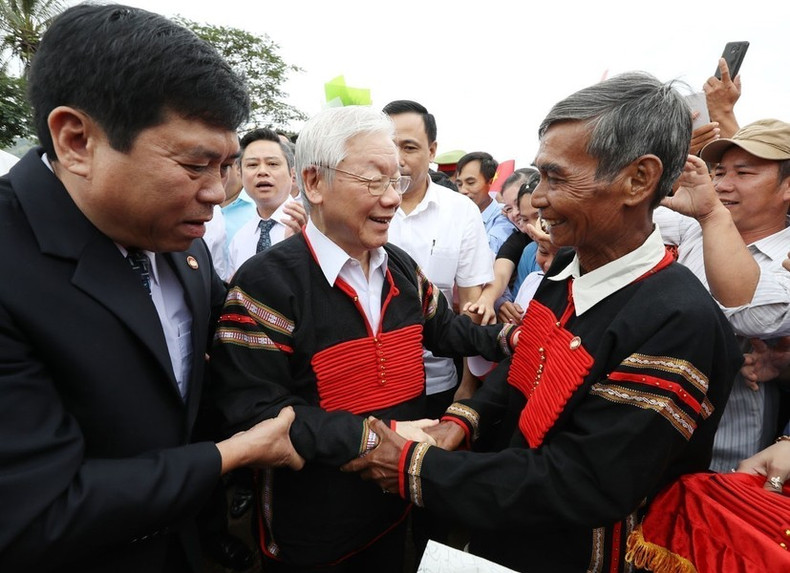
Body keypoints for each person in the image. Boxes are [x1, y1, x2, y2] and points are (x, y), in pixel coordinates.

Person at [343, 72, 742, 572]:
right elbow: (523, 374)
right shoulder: (562, 278)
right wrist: (460, 423)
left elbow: (584, 480)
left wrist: (413, 466)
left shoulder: (678, 322)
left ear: (638, 179)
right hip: (512, 532)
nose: (538, 200)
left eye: (556, 178)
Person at [0, 5, 303, 573]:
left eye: (226, 166)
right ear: (76, 140)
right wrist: (230, 456)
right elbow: (36, 512)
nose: (217, 193)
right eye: (194, 164)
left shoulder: (180, 241)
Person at [208, 105, 518, 572]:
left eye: (397, 180)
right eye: (374, 181)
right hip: (313, 524)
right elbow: (255, 411)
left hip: (394, 507)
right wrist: (374, 439)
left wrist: (506, 340)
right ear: (313, 183)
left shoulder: (399, 266)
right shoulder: (265, 284)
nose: (393, 198)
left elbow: (445, 329)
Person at [656, 118, 790, 472]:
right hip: (652, 434)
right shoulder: (695, 227)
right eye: (718, 172)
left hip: (727, 455)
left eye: (743, 174)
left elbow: (752, 315)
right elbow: (622, 212)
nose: (722, 185)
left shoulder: (712, 220)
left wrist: (712, 215)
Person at [227, 127, 306, 278]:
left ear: (292, 173)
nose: (262, 171)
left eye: (272, 164)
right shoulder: (239, 240)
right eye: (252, 165)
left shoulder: (314, 227)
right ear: (240, 173)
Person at [454, 151, 517, 254]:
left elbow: (487, 252)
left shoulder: (504, 215)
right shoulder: (455, 215)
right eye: (459, 184)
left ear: (491, 183)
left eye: (470, 183)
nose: (463, 190)